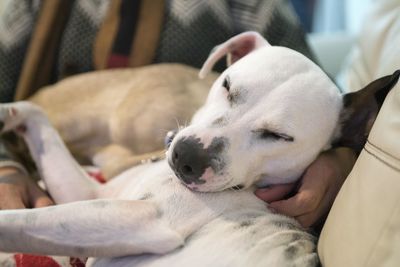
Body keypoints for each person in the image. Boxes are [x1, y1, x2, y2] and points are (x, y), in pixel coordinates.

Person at [0, 0, 356, 230]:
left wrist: (336, 162)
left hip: (159, 186)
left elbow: (315, 97)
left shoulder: (252, 6)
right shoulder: (26, 7)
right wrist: (5, 168)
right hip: (33, 154)